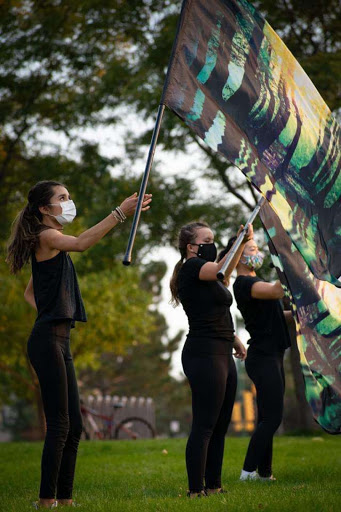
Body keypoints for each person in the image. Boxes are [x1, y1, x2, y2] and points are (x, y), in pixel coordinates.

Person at [6, 180, 151, 509]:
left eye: (69, 196)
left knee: (76, 425)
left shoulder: (48, 245)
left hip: (59, 338)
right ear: (45, 209)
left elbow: (32, 292)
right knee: (59, 423)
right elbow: (84, 243)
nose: (68, 202)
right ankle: (46, 501)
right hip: (46, 340)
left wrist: (49, 311)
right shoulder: (47, 237)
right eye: (62, 198)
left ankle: (66, 499)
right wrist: (120, 212)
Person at [170, 221, 252, 498]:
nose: (211, 243)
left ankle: (214, 486)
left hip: (221, 350)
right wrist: (238, 242)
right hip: (203, 353)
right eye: (206, 240)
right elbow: (222, 269)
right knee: (204, 425)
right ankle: (196, 490)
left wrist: (235, 339)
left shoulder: (210, 274)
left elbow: (222, 282)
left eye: (213, 239)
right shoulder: (191, 267)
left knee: (220, 425)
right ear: (191, 247)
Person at [229, 236, 291, 481]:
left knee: (267, 417)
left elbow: (278, 315)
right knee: (273, 417)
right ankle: (247, 472)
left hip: (274, 355)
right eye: (252, 248)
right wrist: (293, 261)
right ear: (239, 256)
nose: (257, 252)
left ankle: (264, 474)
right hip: (262, 357)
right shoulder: (244, 284)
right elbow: (278, 290)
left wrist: (301, 314)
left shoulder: (256, 282)